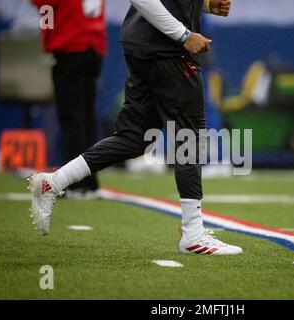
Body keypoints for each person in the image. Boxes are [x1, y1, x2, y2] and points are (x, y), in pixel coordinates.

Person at [28, 0, 242, 255]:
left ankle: (53, 182)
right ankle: (193, 233)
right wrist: (183, 34)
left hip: (147, 43)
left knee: (133, 138)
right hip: (166, 48)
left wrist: (203, 5)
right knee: (189, 137)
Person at [31, 0, 107, 199]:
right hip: (93, 45)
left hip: (71, 44)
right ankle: (90, 182)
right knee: (86, 118)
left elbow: (43, 4)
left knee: (72, 117)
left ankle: (76, 182)